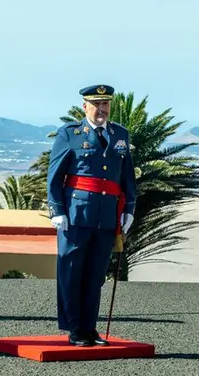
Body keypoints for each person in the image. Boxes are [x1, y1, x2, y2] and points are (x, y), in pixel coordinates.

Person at [46, 84, 138, 346]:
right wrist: (57, 210)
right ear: (84, 106)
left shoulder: (119, 134)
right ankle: (75, 328)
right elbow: (54, 177)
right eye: (96, 104)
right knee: (72, 271)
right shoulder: (70, 134)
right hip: (76, 215)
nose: (101, 109)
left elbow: (126, 176)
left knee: (96, 274)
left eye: (105, 104)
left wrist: (129, 209)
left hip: (106, 216)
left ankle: (89, 327)